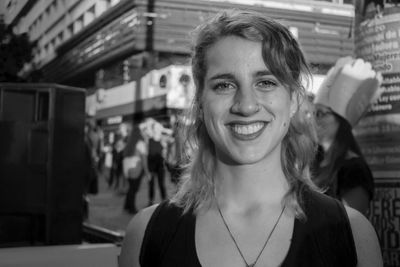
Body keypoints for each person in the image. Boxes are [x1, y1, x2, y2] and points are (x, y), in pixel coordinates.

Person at [119, 10, 382, 267]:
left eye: (266, 82)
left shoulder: (353, 235)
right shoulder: (146, 235)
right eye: (224, 85)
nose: (246, 106)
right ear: (200, 103)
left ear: (293, 100)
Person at [312, 56, 382, 216]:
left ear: (341, 121)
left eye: (321, 114)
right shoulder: (313, 161)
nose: (315, 120)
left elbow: (352, 222)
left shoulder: (354, 169)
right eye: (314, 113)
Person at [123, 124, 149, 214]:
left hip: (127, 167)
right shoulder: (140, 143)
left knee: (130, 187)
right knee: (134, 189)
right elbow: (144, 159)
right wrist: (147, 172)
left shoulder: (129, 143)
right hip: (135, 166)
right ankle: (131, 208)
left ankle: (126, 205)